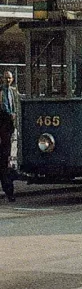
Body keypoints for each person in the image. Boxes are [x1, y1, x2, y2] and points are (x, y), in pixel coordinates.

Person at [0, 71, 20, 203]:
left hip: (10, 130)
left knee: (7, 163)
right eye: (6, 78)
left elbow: (17, 107)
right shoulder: (0, 93)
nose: (8, 80)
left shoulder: (14, 92)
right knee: (3, 164)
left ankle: (9, 192)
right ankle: (8, 191)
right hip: (2, 130)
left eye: (10, 78)